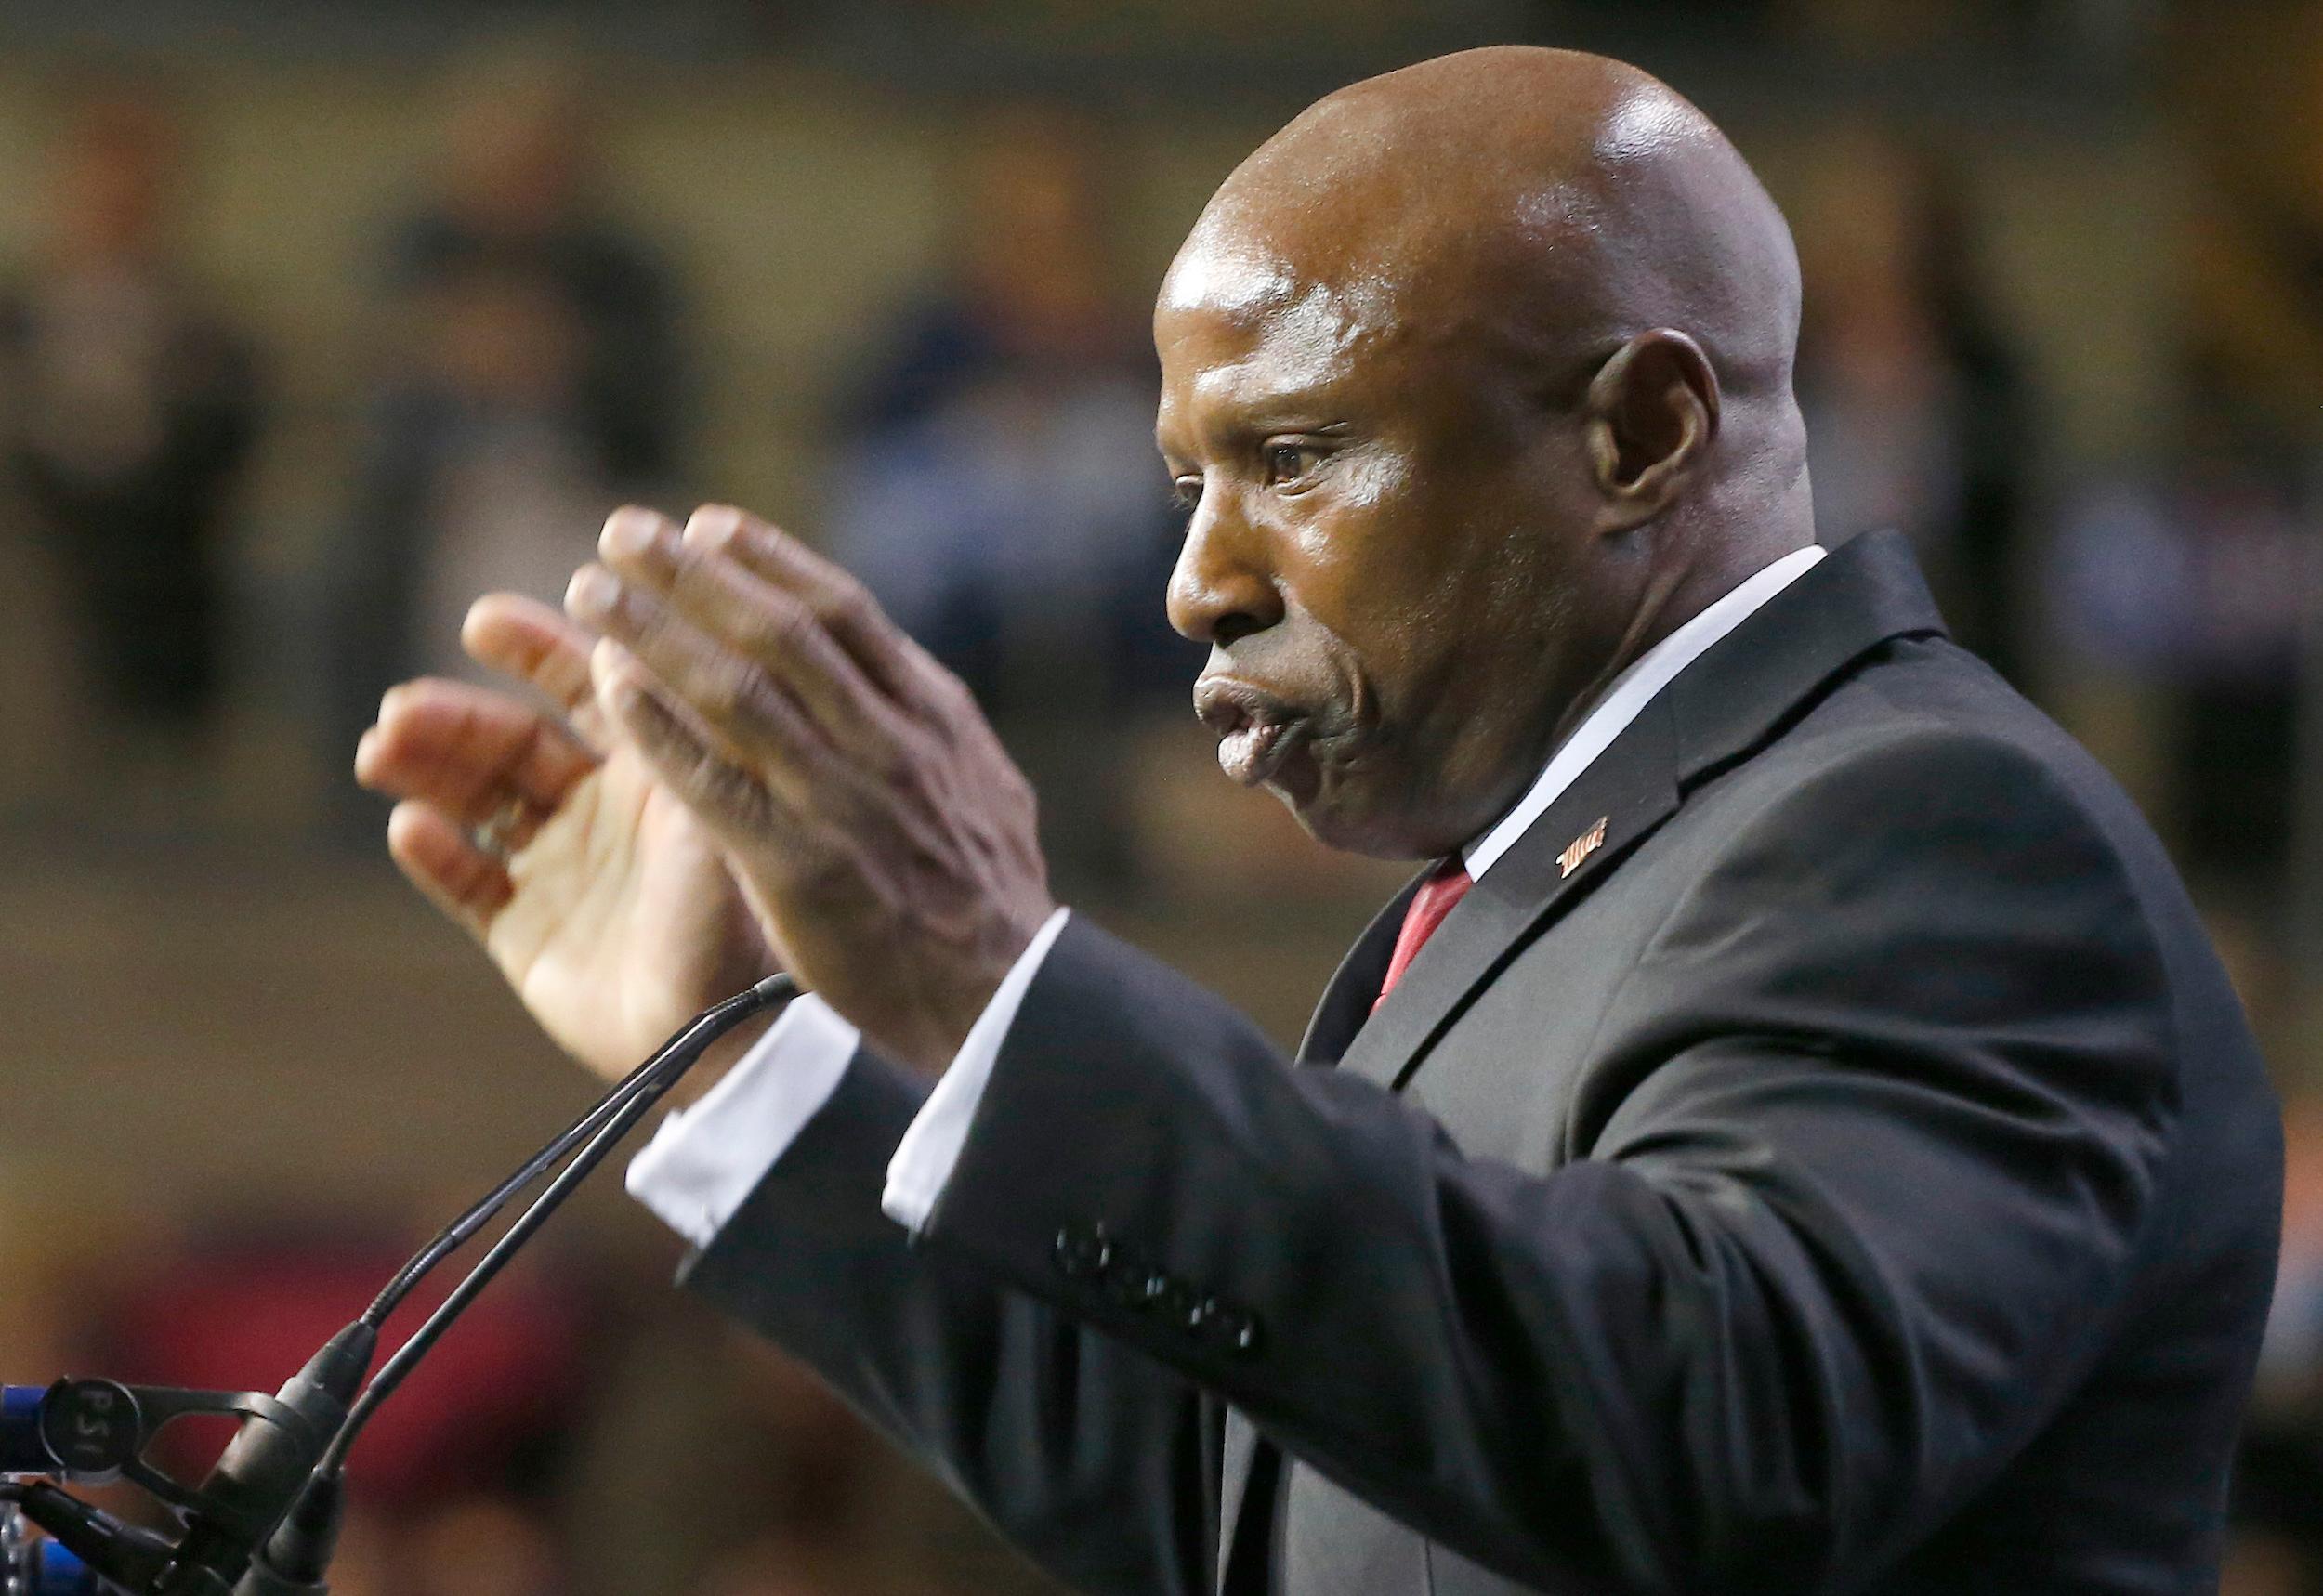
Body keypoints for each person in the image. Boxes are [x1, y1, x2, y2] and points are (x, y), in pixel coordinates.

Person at [356, 47, 2281, 1596]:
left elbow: (1716, 1446)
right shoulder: (1522, 885)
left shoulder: (1921, 828)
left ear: (1638, 435)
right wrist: (753, 1063)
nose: (1195, 580)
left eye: (1289, 457)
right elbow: (1247, 1497)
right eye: (1190, 481)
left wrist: (986, 971)